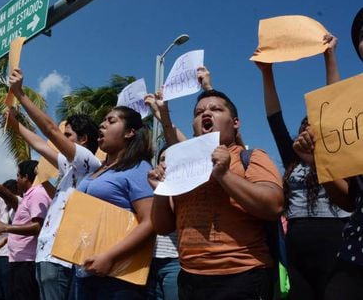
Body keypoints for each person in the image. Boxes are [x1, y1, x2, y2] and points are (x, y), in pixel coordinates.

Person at [149, 67, 284, 300]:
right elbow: (162, 227)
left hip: (242, 277)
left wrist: (224, 175)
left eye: (216, 109)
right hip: (190, 279)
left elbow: (273, 206)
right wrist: (162, 189)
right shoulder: (183, 165)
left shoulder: (251, 157)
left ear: (235, 123)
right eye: (198, 112)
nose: (205, 114)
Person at [254, 34, 350, 300]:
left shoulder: (338, 154)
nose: (309, 129)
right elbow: (275, 118)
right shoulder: (293, 158)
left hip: (335, 237)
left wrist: (329, 56)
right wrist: (267, 72)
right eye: (304, 125)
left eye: (315, 125)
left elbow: (336, 103)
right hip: (296, 244)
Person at [8, 68, 102, 300]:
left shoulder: (89, 162)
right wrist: (15, 125)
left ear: (83, 140)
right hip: (46, 256)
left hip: (62, 259)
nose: (60, 140)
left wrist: (20, 95)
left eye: (67, 135)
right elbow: (41, 144)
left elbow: (49, 129)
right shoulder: (70, 166)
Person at [73, 106, 154, 299]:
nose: (102, 125)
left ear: (129, 132)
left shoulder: (138, 168)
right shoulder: (99, 170)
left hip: (118, 276)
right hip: (85, 269)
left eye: (111, 121)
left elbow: (150, 221)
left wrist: (110, 257)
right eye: (103, 120)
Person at [0, 160, 51, 300]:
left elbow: (38, 226)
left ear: (26, 177)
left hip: (27, 262)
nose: (17, 180)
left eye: (18, 176)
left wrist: (6, 227)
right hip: (20, 260)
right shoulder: (30, 195)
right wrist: (7, 238)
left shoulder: (38, 194)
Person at [146, 146, 180, 300]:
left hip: (175, 261)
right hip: (150, 262)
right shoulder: (150, 184)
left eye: (170, 160)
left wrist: (162, 189)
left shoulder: (182, 187)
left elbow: (174, 217)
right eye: (162, 159)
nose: (165, 164)